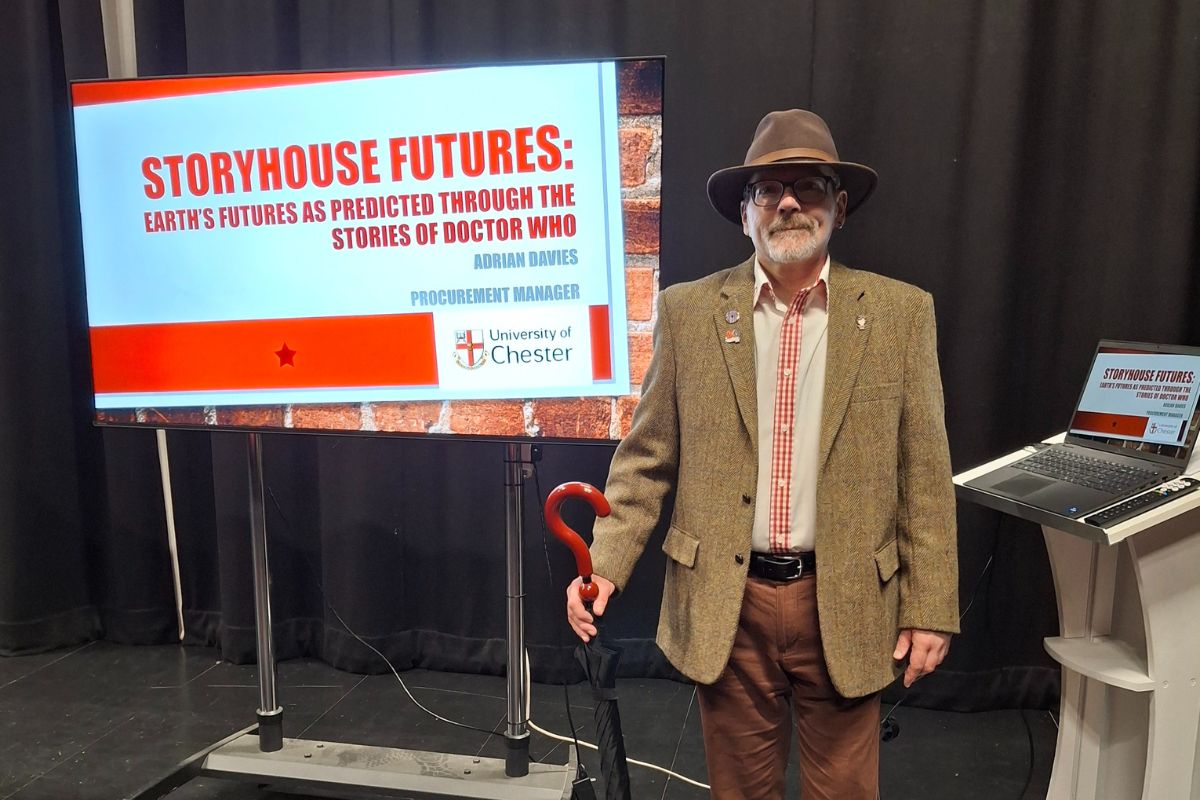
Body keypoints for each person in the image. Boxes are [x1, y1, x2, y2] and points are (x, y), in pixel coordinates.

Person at [566, 109, 959, 800]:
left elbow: (923, 475)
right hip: (728, 599)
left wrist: (930, 605)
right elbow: (645, 461)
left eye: (807, 186)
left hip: (844, 597)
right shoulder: (688, 314)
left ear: (839, 206)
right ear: (744, 215)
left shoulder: (901, 315)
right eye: (766, 191)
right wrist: (602, 568)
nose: (786, 203)